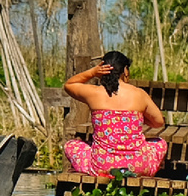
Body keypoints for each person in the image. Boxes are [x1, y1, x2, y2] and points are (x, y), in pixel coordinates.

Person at [62, 50, 168, 178]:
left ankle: (110, 170)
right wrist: (138, 119)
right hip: (138, 165)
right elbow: (158, 122)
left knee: (71, 145)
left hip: (103, 166)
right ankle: (135, 170)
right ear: (125, 70)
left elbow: (69, 84)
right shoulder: (139, 94)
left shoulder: (94, 93)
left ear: (101, 70)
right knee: (160, 142)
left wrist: (92, 73)